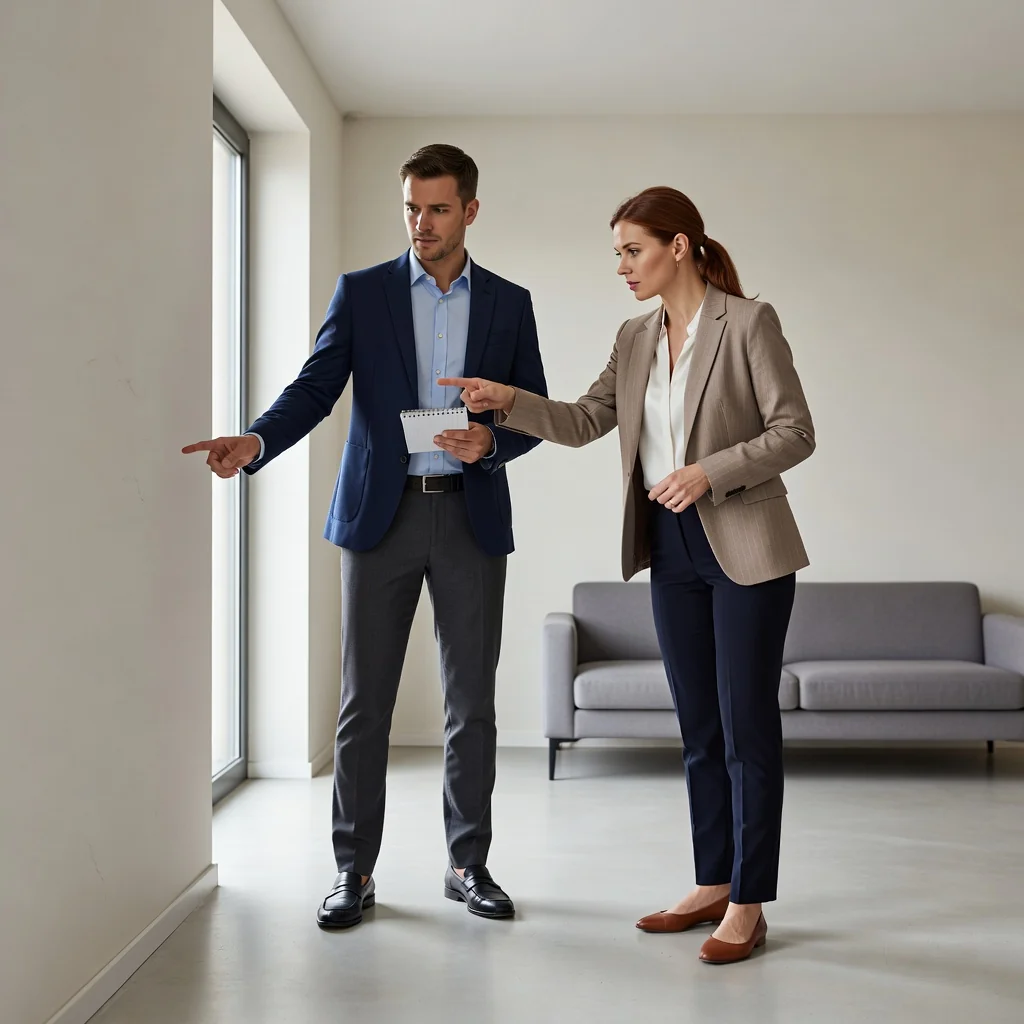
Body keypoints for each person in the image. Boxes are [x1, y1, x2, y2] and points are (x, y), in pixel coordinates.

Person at [438, 186, 814, 965]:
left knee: (748, 728)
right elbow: (584, 421)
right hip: (669, 550)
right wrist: (507, 402)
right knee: (700, 729)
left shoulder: (748, 323)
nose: (622, 267)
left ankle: (750, 901)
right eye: (617, 253)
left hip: (744, 544)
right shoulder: (635, 337)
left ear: (679, 246)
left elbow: (794, 431)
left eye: (632, 250)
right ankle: (713, 881)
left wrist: (710, 471)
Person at [184, 144, 548, 929]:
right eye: (412, 207)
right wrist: (255, 442)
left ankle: (467, 863)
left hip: (470, 516)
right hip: (379, 520)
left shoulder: (509, 304)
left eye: (439, 208)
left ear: (471, 211)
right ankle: (353, 870)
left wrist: (492, 443)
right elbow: (318, 385)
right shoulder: (365, 293)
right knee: (363, 705)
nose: (422, 223)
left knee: (471, 705)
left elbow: (534, 411)